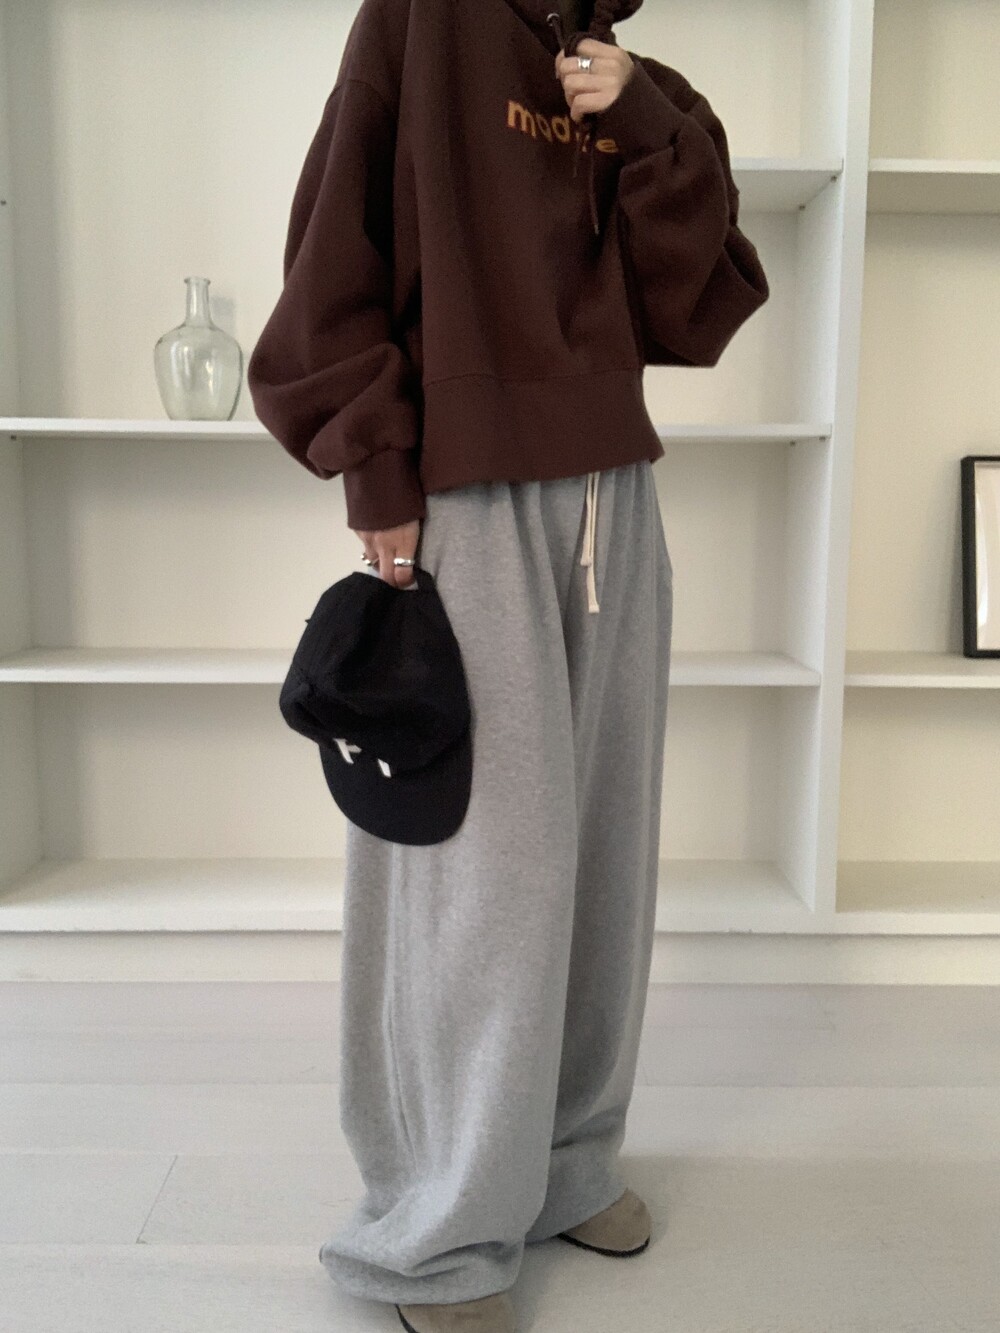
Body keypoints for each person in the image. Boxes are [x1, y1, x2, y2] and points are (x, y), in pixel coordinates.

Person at [247, 1, 769, 1329]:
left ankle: (565, 1163)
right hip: (470, 496)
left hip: (617, 498)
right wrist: (376, 468)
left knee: (602, 860)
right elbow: (334, 247)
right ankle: (438, 1228)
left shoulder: (639, 79)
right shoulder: (421, 21)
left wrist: (646, 122)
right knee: (475, 882)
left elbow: (697, 307)